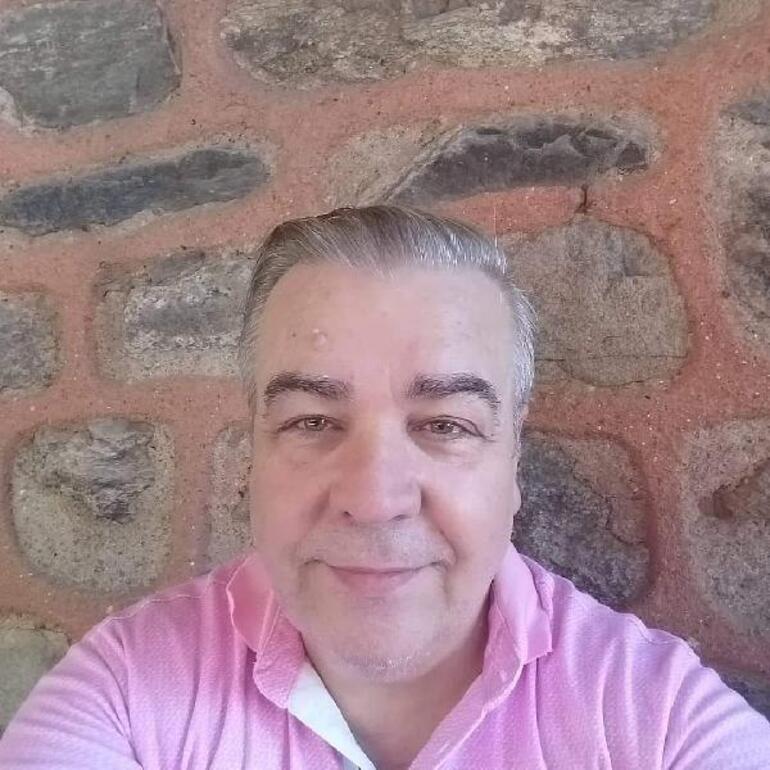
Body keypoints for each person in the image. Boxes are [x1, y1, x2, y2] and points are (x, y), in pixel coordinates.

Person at [0, 205, 768, 769]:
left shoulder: (658, 721)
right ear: (253, 453)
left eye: (446, 424)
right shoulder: (125, 694)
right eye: (311, 421)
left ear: (513, 461)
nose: (373, 500)